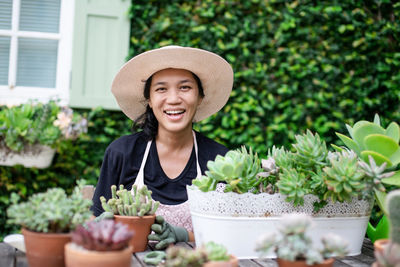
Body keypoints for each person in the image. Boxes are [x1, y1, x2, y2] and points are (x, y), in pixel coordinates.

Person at [91, 45, 233, 248]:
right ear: (149, 99)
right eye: (161, 89)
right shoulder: (122, 153)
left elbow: (226, 232)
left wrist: (184, 235)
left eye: (185, 87)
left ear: (200, 97)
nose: (174, 99)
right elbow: (96, 219)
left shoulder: (220, 160)